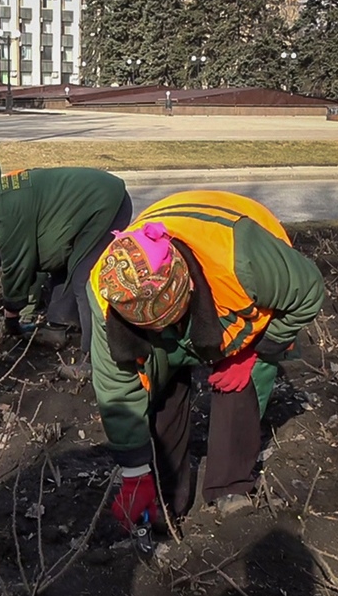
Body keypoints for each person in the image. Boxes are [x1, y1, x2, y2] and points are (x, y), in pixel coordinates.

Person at [85, 190, 325, 532]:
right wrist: (134, 473)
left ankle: (231, 484)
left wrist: (250, 353)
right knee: (159, 387)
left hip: (232, 269)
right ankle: (167, 495)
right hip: (180, 288)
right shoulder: (107, 292)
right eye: (154, 326)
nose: (163, 331)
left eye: (168, 319)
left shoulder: (244, 260)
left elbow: (308, 292)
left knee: (238, 384)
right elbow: (117, 389)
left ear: (186, 290)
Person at [0, 167, 133, 377]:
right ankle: (58, 328)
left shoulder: (7, 216)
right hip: (90, 202)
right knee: (63, 263)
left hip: (107, 203)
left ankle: (95, 360)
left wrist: (11, 319)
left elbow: (17, 268)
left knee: (84, 281)